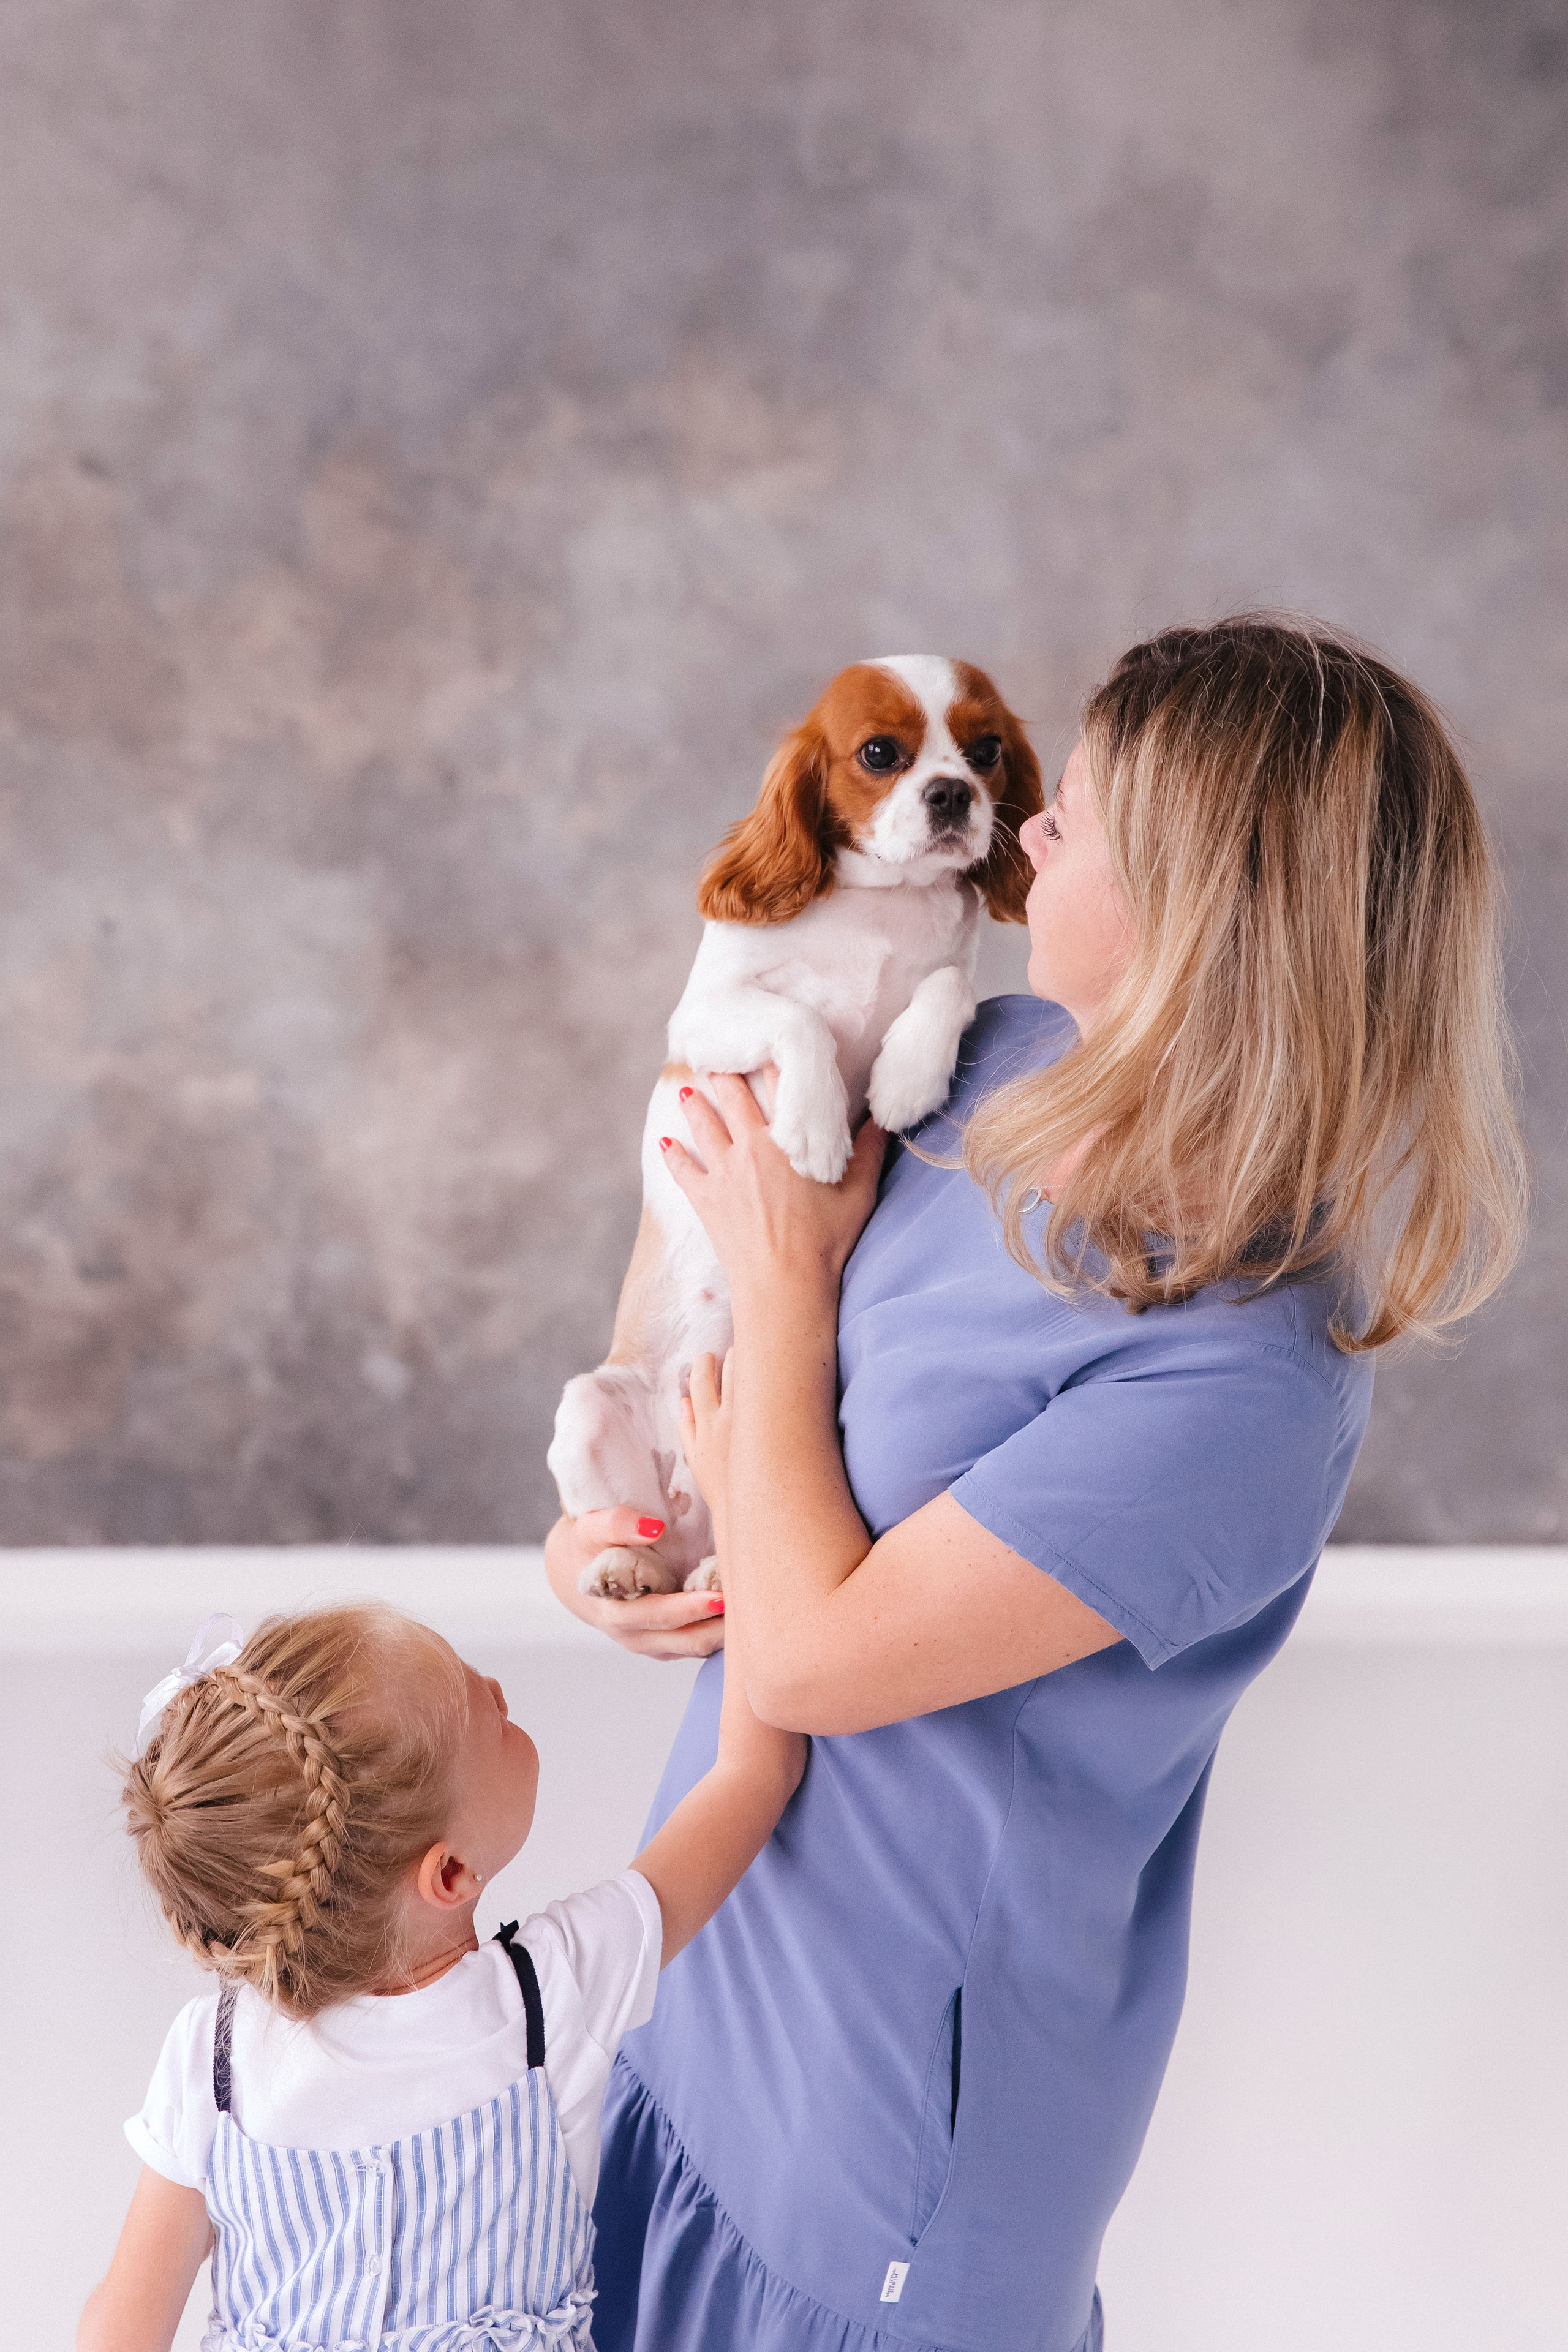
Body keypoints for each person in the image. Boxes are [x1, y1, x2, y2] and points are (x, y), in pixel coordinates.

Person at [545, 617, 1526, 2352]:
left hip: (886, 2152)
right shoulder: (970, 1070)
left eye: (1078, 808)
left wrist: (788, 1286)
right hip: (701, 1985)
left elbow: (815, 1658)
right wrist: (607, 1549)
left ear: (1210, 911)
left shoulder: (1242, 1375)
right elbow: (701, 1336)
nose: (1030, 823)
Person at [78, 1597, 802, 2352]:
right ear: (449, 1873)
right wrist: (766, 1575)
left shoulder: (215, 2056)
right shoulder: (551, 1996)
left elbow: (121, 2331)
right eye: (487, 1714)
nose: (498, 1691)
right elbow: (755, 1776)